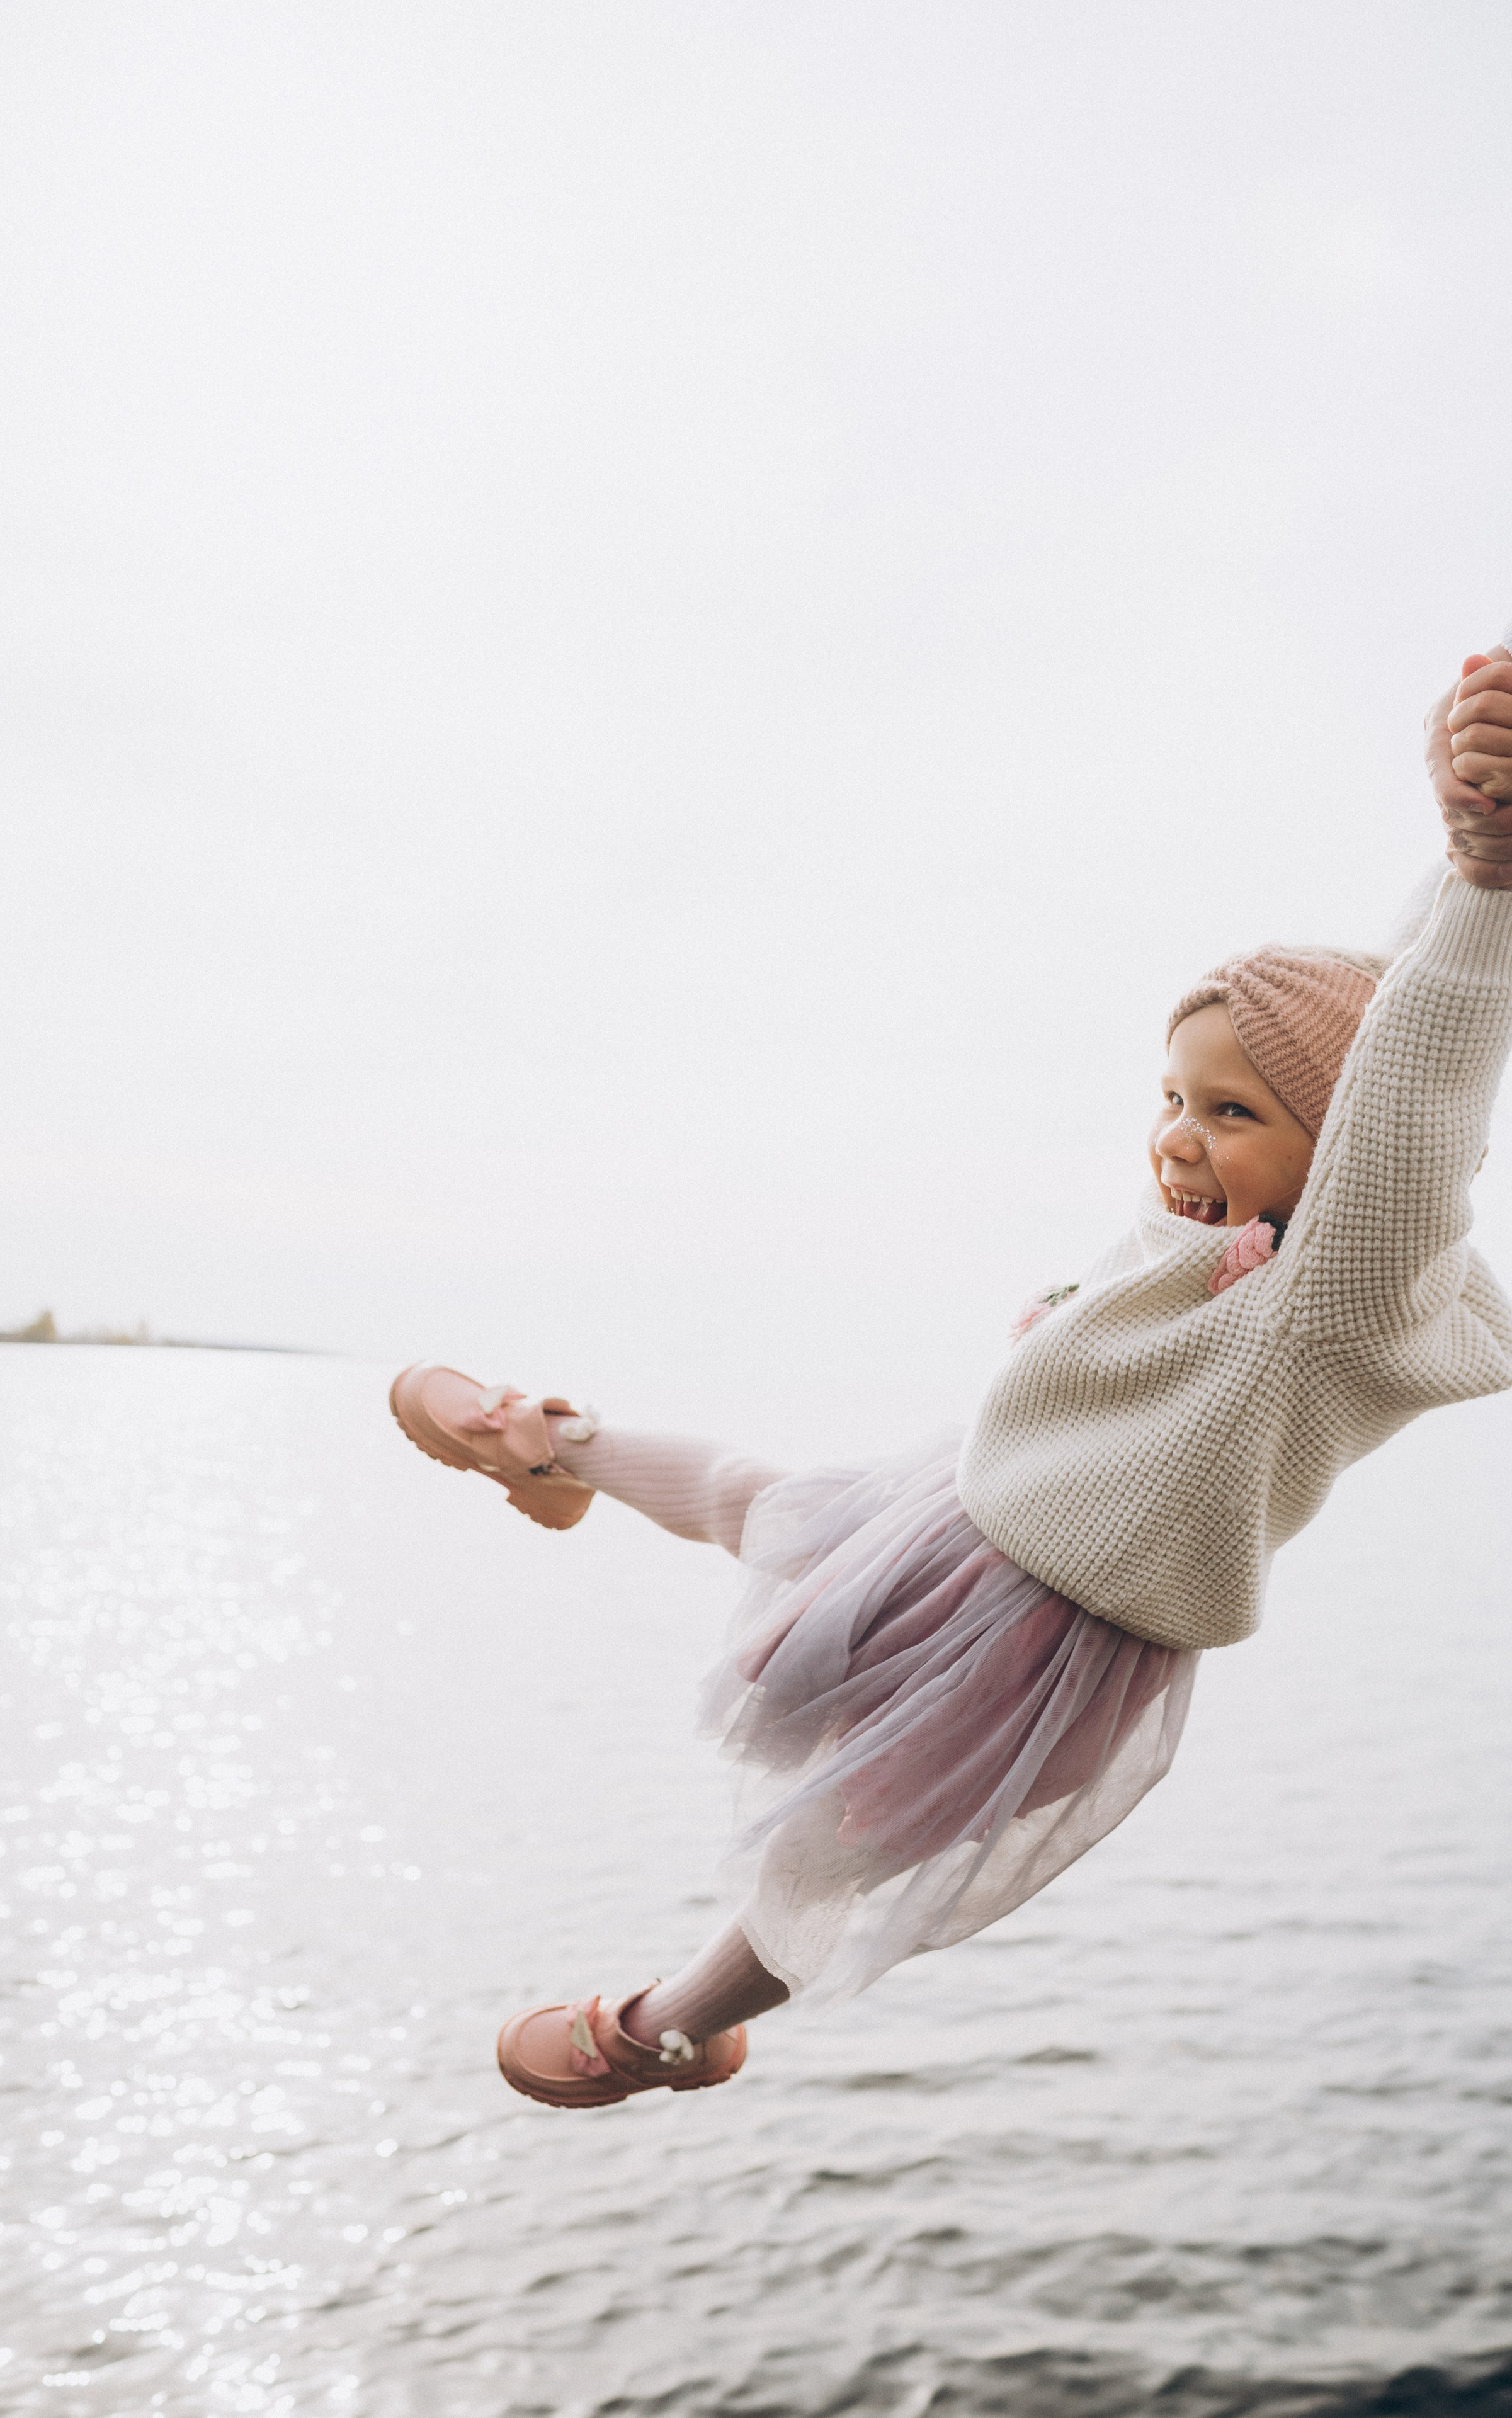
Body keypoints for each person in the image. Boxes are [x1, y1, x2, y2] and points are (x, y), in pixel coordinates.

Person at [392, 639, 1512, 2111]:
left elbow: (1408, 1082)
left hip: (1046, 1641)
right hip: (959, 1510)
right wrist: (1450, 848)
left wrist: (1488, 889)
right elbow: (1366, 1027)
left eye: (1228, 1111)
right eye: (1169, 1097)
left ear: (1329, 1155)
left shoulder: (1335, 1289)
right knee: (757, 1495)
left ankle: (667, 2030)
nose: (1176, 1135)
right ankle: (546, 1444)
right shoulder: (1206, 1220)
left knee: (836, 1846)